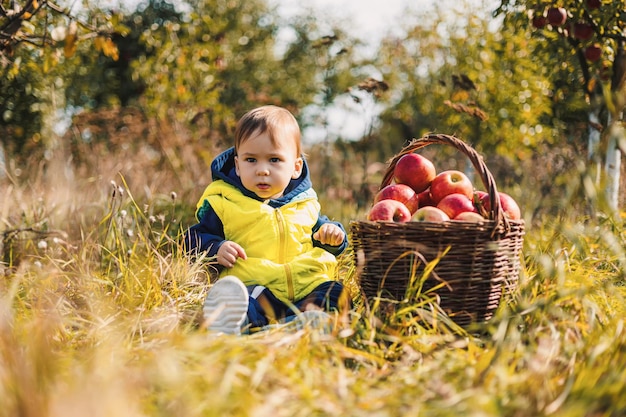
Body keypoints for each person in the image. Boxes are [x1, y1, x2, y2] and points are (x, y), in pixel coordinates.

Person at [184, 105, 350, 335]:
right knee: (243, 299)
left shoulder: (306, 203)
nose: (262, 170)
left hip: (306, 286)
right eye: (251, 160)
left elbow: (322, 236)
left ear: (295, 166)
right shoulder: (225, 203)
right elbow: (192, 238)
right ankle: (235, 323)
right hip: (258, 287)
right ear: (238, 165)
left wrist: (332, 235)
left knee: (335, 292)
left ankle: (300, 324)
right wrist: (216, 247)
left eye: (274, 159)